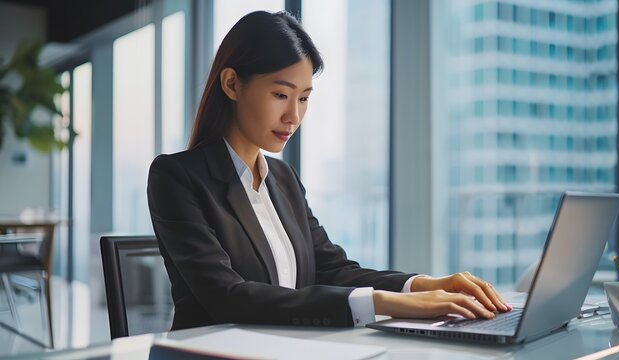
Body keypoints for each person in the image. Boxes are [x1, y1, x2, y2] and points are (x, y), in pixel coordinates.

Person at [147, 10, 510, 331]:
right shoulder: (176, 176)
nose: (294, 116)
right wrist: (386, 304)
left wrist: (421, 285)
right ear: (231, 84)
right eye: (280, 95)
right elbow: (228, 296)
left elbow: (333, 269)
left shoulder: (283, 180)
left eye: (303, 98)